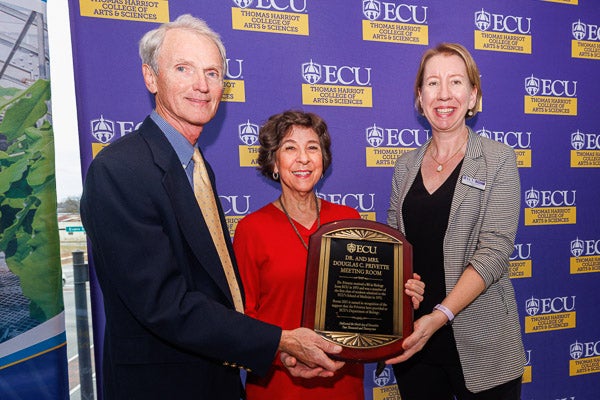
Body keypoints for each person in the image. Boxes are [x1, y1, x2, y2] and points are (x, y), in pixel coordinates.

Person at [80, 15, 345, 400]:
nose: (201, 85)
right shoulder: (121, 170)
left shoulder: (196, 166)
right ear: (151, 77)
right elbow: (163, 304)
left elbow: (210, 290)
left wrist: (271, 348)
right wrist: (280, 341)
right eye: (183, 69)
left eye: (213, 73)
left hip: (213, 376)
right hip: (161, 387)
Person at [233, 110, 426, 400]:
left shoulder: (349, 220)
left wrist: (401, 299)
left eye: (312, 147)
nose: (303, 158)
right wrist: (282, 354)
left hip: (342, 383)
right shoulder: (251, 229)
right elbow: (242, 319)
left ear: (323, 160)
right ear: (274, 161)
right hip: (279, 384)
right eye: (290, 148)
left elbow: (368, 300)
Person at [384, 43, 526, 400]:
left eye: (456, 82)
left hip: (482, 342)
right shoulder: (404, 167)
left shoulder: (498, 160)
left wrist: (441, 314)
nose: (444, 94)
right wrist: (404, 283)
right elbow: (395, 249)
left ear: (473, 94)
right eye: (432, 83)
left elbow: (494, 252)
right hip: (416, 341)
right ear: (419, 97)